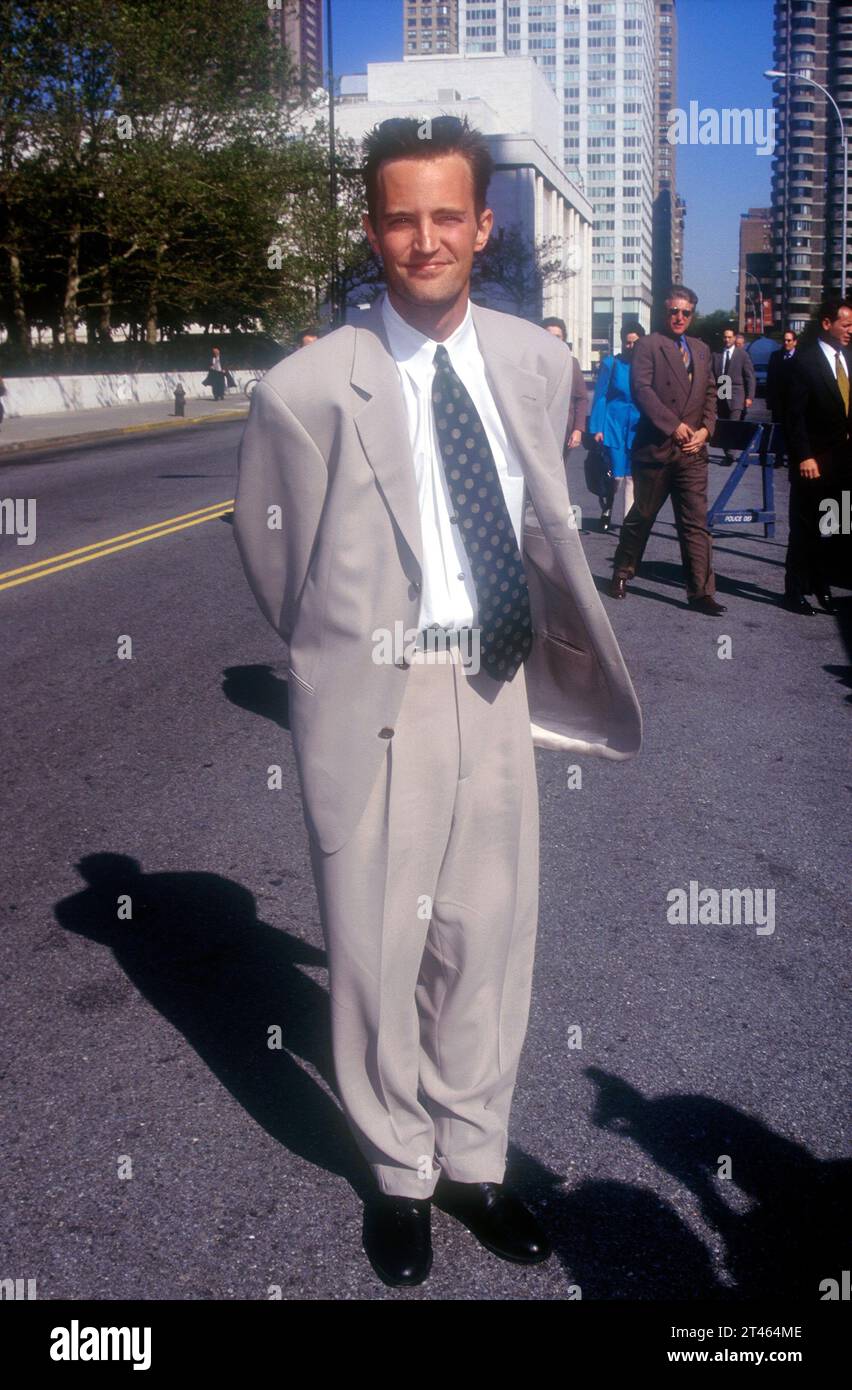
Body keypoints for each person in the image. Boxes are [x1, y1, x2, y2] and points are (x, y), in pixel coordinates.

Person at [232, 114, 641, 1288]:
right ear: (374, 229)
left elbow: (537, 518)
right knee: (373, 950)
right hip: (383, 694)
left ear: (482, 225)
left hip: (497, 682)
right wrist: (350, 658)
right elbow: (280, 567)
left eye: (445, 216)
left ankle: (474, 1158)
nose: (424, 239)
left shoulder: (535, 360)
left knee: (489, 944)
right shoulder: (306, 392)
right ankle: (399, 1172)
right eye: (400, 218)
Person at [608, 284, 726, 615]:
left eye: (685, 312)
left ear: (692, 314)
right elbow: (641, 390)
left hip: (692, 452)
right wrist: (673, 426)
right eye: (673, 311)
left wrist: (705, 430)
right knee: (642, 515)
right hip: (656, 448)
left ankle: (700, 592)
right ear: (664, 312)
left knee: (695, 523)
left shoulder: (702, 349)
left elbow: (711, 393)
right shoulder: (648, 345)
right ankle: (622, 571)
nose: (679, 317)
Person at [782, 298, 852, 615]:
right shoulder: (804, 361)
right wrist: (804, 456)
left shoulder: (849, 357)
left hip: (845, 463)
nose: (851, 330)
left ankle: (823, 587)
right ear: (827, 324)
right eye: (846, 324)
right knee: (805, 527)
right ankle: (795, 590)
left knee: (835, 526)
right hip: (813, 463)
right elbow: (792, 416)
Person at [587, 322, 645, 531]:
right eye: (627, 342)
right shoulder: (611, 364)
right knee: (616, 476)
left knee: (632, 477)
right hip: (613, 426)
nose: (630, 346)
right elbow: (600, 396)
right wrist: (597, 428)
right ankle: (607, 505)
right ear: (622, 343)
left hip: (637, 429)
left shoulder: (646, 366)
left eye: (635, 342)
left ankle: (628, 525)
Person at [540, 316, 587, 453]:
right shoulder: (532, 362)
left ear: (563, 340)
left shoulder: (572, 364)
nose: (553, 340)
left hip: (563, 429)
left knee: (559, 471)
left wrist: (578, 429)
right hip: (537, 429)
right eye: (548, 335)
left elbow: (581, 398)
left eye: (557, 336)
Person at [713, 326, 755, 463]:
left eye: (729, 337)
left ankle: (730, 455)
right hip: (721, 393)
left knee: (733, 423)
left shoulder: (742, 355)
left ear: (734, 338)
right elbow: (711, 375)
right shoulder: (717, 354)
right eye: (725, 337)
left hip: (737, 394)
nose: (727, 339)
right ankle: (727, 452)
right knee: (724, 425)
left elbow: (750, 377)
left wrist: (749, 397)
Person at [766, 329, 797, 466]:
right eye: (784, 340)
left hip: (795, 403)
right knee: (778, 430)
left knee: (793, 430)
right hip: (778, 402)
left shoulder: (801, 357)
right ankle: (778, 457)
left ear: (795, 342)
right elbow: (770, 379)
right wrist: (769, 400)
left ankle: (791, 457)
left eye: (789, 340)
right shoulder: (775, 356)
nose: (786, 343)